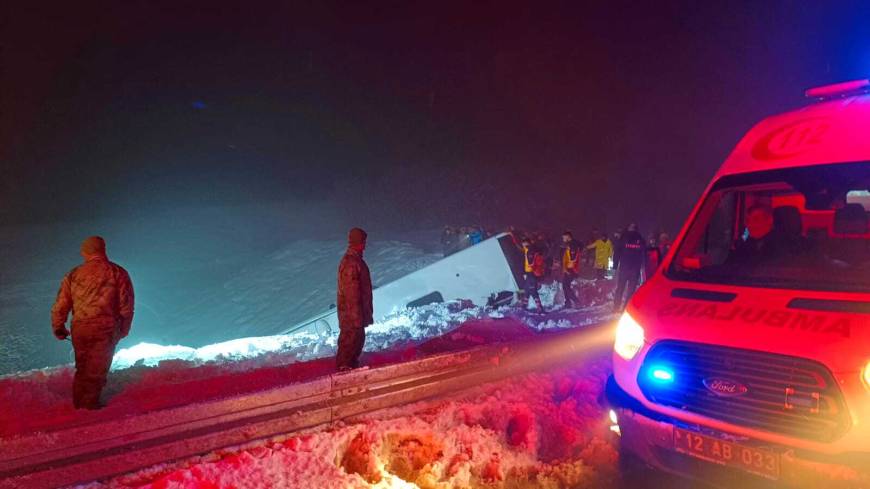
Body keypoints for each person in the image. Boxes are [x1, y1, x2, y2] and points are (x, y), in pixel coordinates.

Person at [51, 236, 134, 409]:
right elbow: (126, 305)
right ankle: (88, 409)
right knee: (97, 370)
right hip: (105, 327)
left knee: (83, 368)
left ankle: (79, 406)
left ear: (84, 252)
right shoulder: (117, 272)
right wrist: (124, 329)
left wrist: (58, 326)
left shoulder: (73, 274)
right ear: (103, 250)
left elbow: (61, 304)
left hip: (80, 328)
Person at [336, 228, 374, 371]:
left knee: (356, 341)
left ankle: (349, 368)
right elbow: (351, 293)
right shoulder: (351, 263)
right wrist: (356, 317)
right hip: (352, 316)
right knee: (350, 343)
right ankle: (344, 371)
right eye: (363, 241)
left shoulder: (355, 260)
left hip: (355, 315)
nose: (365, 244)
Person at [613, 223, 644, 312]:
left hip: (624, 268)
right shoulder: (641, 239)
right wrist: (644, 267)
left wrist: (615, 266)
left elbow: (617, 252)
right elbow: (644, 255)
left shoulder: (623, 238)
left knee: (620, 288)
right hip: (635, 269)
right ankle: (625, 308)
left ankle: (616, 307)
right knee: (631, 290)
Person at [520, 236, 546, 313]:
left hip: (532, 273)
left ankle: (540, 307)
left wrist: (530, 271)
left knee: (532, 290)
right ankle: (524, 305)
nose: (522, 245)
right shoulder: (528, 249)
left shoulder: (531, 251)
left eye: (524, 243)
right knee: (527, 289)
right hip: (530, 273)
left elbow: (531, 264)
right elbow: (519, 247)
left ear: (527, 243)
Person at [560, 231, 582, 308]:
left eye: (564, 237)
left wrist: (568, 268)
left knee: (566, 286)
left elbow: (573, 258)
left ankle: (576, 302)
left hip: (571, 269)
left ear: (568, 237)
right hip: (568, 269)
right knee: (565, 286)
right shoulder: (569, 245)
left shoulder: (573, 245)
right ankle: (568, 303)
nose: (563, 239)